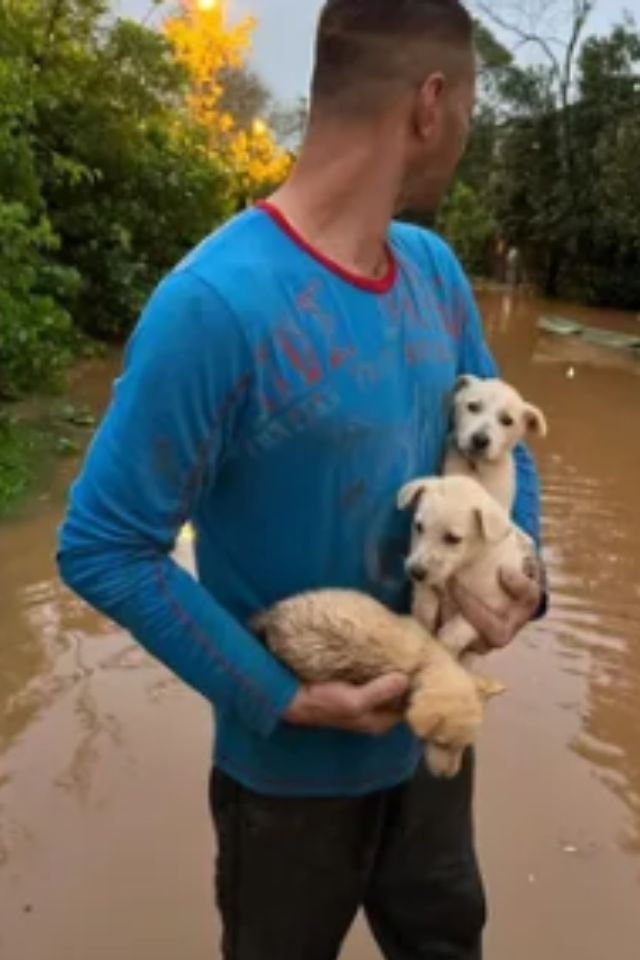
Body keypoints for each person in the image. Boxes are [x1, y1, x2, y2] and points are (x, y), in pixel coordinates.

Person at [58, 1, 544, 957]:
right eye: (472, 109)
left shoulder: (436, 273)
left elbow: (502, 451)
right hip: (285, 784)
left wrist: (526, 578)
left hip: (430, 747)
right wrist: (281, 696)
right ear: (431, 104)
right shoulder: (212, 307)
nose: (468, 132)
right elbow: (103, 545)